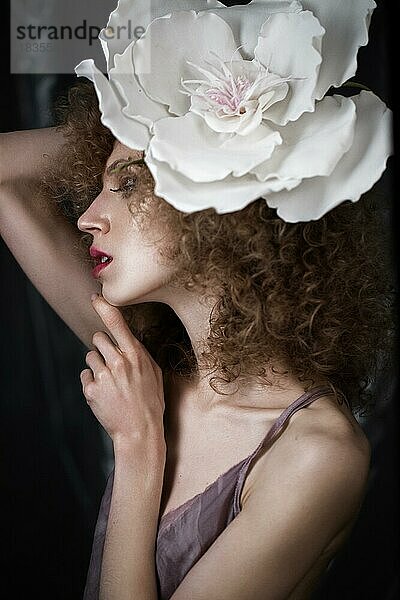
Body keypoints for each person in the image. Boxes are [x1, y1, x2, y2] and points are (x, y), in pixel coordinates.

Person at [0, 1, 394, 599]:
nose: (86, 218)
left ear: (214, 207)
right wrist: (137, 117)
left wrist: (139, 447)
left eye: (127, 186)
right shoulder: (146, 372)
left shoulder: (317, 455)